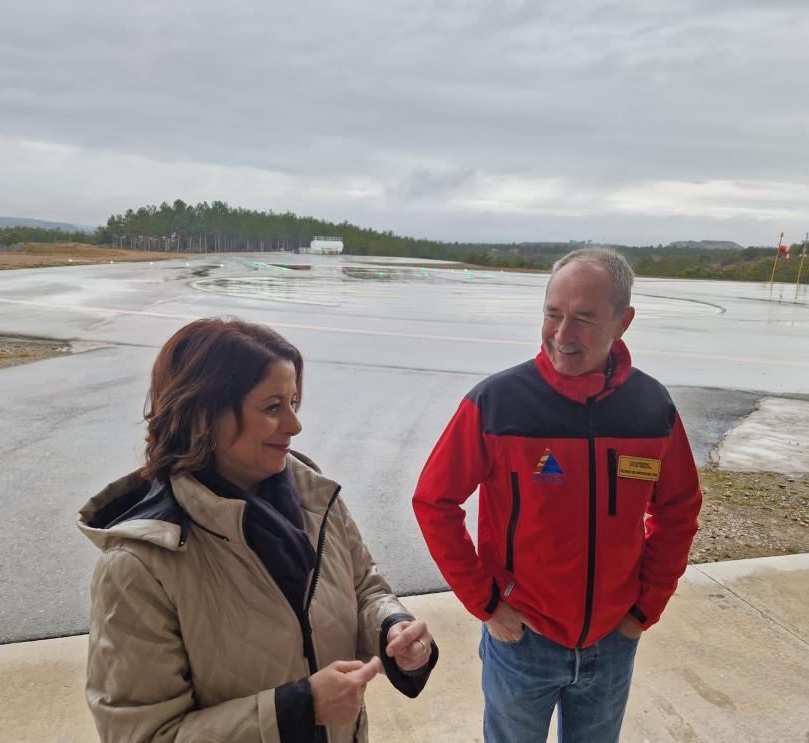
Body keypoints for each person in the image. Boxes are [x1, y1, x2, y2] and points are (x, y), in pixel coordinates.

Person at [78, 318, 437, 743]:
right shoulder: (139, 565)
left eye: (294, 403)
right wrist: (299, 710)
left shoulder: (318, 500)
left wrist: (392, 629)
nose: (295, 425)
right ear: (203, 416)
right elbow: (141, 734)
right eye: (272, 407)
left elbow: (365, 588)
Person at [413, 248, 701, 743]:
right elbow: (434, 502)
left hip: (613, 642)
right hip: (523, 641)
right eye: (553, 314)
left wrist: (644, 608)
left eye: (585, 319)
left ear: (623, 322)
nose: (562, 335)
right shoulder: (498, 403)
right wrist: (486, 604)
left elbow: (678, 511)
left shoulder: (651, 410)